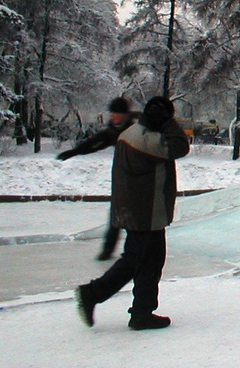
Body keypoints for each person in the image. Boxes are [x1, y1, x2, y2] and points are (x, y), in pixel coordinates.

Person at [75, 96, 190, 331]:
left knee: (147, 260)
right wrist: (168, 123)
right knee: (138, 260)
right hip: (145, 211)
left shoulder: (132, 132)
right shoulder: (147, 139)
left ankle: (141, 312)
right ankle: (94, 293)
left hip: (135, 208)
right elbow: (180, 146)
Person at [57, 97, 135, 261]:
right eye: (111, 113)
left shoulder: (135, 128)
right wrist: (75, 152)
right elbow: (97, 142)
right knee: (117, 214)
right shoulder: (114, 129)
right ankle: (108, 250)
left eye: (116, 114)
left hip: (140, 178)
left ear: (124, 114)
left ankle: (136, 250)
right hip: (124, 178)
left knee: (134, 216)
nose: (112, 116)